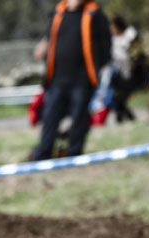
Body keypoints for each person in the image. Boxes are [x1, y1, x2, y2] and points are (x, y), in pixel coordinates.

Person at [30, 0, 111, 161]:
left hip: (82, 79)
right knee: (50, 117)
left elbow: (105, 44)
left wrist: (98, 66)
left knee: (79, 118)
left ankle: (74, 154)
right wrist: (43, 48)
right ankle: (43, 153)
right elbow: (49, 37)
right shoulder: (58, 12)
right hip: (56, 78)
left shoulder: (95, 14)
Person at [109, 16, 148, 123]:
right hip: (120, 74)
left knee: (120, 98)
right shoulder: (113, 40)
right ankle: (127, 118)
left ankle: (125, 118)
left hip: (133, 73)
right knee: (118, 99)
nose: (112, 30)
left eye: (113, 28)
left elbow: (138, 52)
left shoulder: (130, 35)